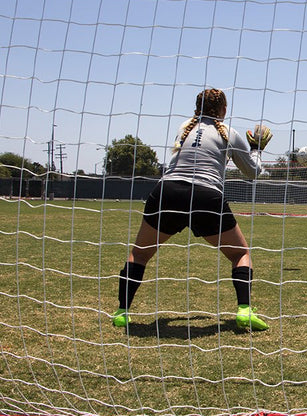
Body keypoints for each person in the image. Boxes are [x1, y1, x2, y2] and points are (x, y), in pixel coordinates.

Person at [112, 88, 272, 332]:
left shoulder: (184, 126)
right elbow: (252, 173)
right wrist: (256, 148)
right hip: (205, 196)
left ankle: (122, 312)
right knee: (240, 254)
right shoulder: (229, 132)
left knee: (140, 255)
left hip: (168, 192)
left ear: (196, 108)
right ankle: (244, 310)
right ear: (224, 110)